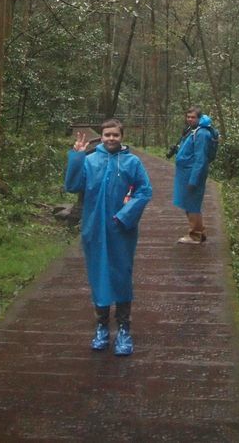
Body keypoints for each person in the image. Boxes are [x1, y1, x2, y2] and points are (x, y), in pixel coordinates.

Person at [65, 118, 152, 356]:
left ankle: (124, 328)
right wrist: (77, 158)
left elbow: (144, 190)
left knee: (121, 274)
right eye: (107, 135)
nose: (111, 138)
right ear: (101, 137)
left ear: (121, 137)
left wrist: (126, 215)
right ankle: (102, 327)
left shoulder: (132, 162)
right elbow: (72, 186)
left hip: (121, 228)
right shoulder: (91, 160)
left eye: (115, 135)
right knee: (98, 274)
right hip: (94, 227)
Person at [172, 106, 215, 244]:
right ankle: (199, 232)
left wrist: (193, 180)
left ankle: (195, 235)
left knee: (192, 204)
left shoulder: (202, 134)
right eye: (188, 117)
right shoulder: (194, 131)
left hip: (192, 173)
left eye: (193, 117)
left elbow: (201, 159)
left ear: (199, 118)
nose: (190, 119)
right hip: (186, 173)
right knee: (189, 203)